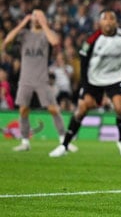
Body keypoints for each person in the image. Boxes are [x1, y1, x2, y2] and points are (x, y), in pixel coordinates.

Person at [49, 9, 121, 158]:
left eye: (111, 18)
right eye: (105, 18)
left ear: (116, 22)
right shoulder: (91, 39)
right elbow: (83, 62)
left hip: (114, 78)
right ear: (100, 22)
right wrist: (85, 84)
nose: (108, 21)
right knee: (82, 110)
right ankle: (65, 145)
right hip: (94, 79)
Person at [2, 9, 77, 153]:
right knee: (23, 110)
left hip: (42, 78)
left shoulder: (46, 35)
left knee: (53, 109)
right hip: (25, 79)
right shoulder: (24, 34)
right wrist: (22, 23)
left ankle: (64, 141)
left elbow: (55, 42)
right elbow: (7, 41)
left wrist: (44, 24)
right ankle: (25, 142)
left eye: (39, 15)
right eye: (34, 15)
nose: (36, 18)